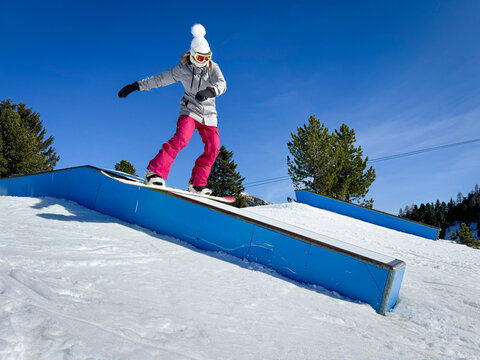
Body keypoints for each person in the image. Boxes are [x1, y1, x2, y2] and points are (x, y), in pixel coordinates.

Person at [118, 24, 226, 195]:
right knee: (181, 138)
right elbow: (160, 79)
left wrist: (211, 91)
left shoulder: (213, 68)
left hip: (209, 115)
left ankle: (197, 184)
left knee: (213, 148)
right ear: (192, 54)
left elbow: (222, 84)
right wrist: (136, 86)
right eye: (200, 57)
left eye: (207, 57)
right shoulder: (182, 70)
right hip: (189, 110)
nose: (204, 61)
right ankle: (154, 173)